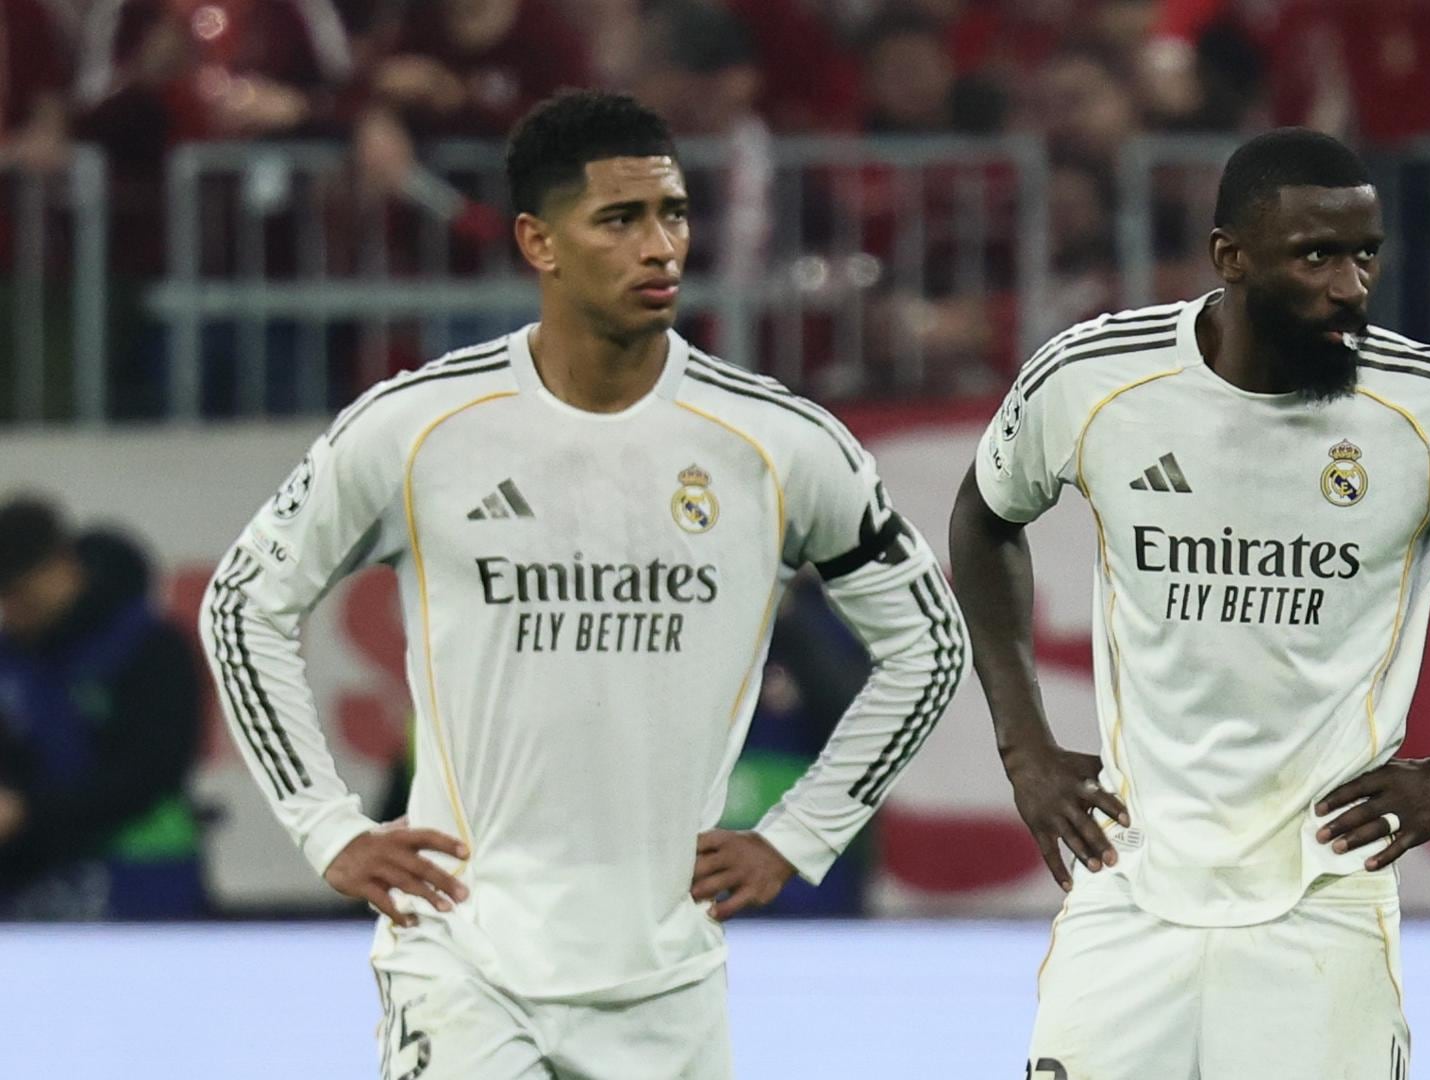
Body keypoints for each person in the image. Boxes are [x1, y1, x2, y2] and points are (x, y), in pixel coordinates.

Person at [199, 90, 966, 1079]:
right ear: (539, 242)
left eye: (674, 214)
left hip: (666, 981)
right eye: (620, 219)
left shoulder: (780, 444)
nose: (661, 247)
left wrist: (801, 832)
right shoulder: (415, 427)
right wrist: (325, 825)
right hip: (464, 962)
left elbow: (931, 647)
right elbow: (242, 603)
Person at [949, 128, 1430, 1078]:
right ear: (1230, 258)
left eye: (1364, 254)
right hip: (1129, 881)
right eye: (1316, 256)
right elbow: (982, 520)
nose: (1350, 286)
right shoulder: (1097, 380)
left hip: (1324, 896)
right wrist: (1024, 747)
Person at [0, 496, 206, 920]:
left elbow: (153, 769)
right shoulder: (12, 657)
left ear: (62, 566)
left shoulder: (150, 648)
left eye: (19, 594)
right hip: (30, 879)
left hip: (146, 875)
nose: (11, 611)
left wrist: (28, 812)